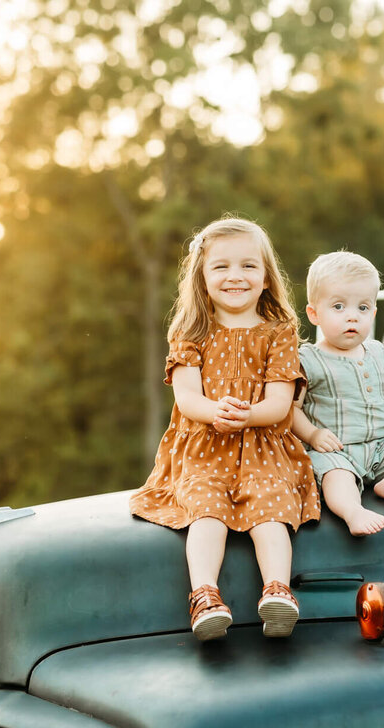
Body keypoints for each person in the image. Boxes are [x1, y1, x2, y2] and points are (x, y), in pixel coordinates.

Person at [130, 216, 320, 641]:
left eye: (249, 266)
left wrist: (247, 416)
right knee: (206, 510)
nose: (236, 276)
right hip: (204, 447)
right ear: (201, 277)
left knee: (271, 508)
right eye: (222, 267)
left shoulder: (279, 333)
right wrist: (217, 411)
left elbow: (278, 404)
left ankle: (278, 592)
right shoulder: (191, 331)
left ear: (268, 278)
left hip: (263, 447)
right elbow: (187, 399)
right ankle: (205, 596)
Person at [292, 251, 384, 536]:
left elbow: (379, 405)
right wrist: (312, 435)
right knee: (335, 475)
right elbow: (290, 409)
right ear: (314, 314)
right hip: (337, 451)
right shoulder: (307, 359)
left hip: (381, 449)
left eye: (362, 308)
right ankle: (353, 511)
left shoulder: (377, 352)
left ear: (373, 312)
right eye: (338, 306)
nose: (352, 317)